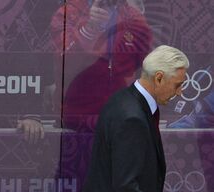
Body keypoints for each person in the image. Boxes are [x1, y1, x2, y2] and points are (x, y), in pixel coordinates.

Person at [72, 45, 189, 192]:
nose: (180, 93)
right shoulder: (132, 117)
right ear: (158, 78)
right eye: (177, 85)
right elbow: (126, 185)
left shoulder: (124, 101)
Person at [50, 0, 152, 131]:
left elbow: (142, 63)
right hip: (75, 120)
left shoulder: (132, 15)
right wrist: (89, 28)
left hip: (119, 117)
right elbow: (65, 62)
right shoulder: (67, 13)